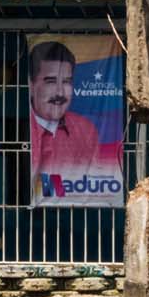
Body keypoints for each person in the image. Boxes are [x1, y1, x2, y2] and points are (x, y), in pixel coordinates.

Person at [28, 40, 101, 192]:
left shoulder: (86, 130)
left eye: (67, 82)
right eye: (51, 81)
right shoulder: (21, 129)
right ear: (31, 85)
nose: (60, 93)